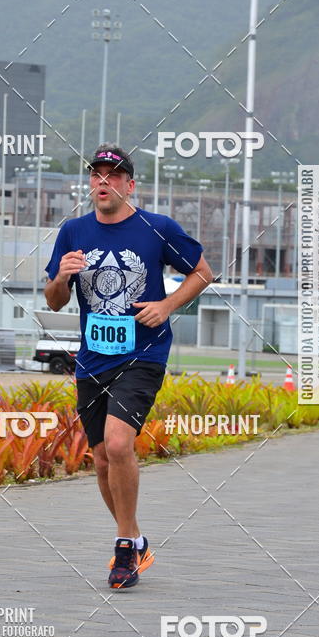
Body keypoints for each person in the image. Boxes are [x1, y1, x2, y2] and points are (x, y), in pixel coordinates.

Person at [44, 144, 213, 588]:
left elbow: (202, 272)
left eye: (113, 176)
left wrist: (167, 304)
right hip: (92, 358)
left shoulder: (156, 228)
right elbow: (55, 299)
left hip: (143, 354)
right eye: (96, 175)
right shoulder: (73, 231)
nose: (103, 182)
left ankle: (123, 547)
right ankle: (135, 538)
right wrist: (62, 277)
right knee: (101, 459)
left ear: (129, 185)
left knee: (119, 445)